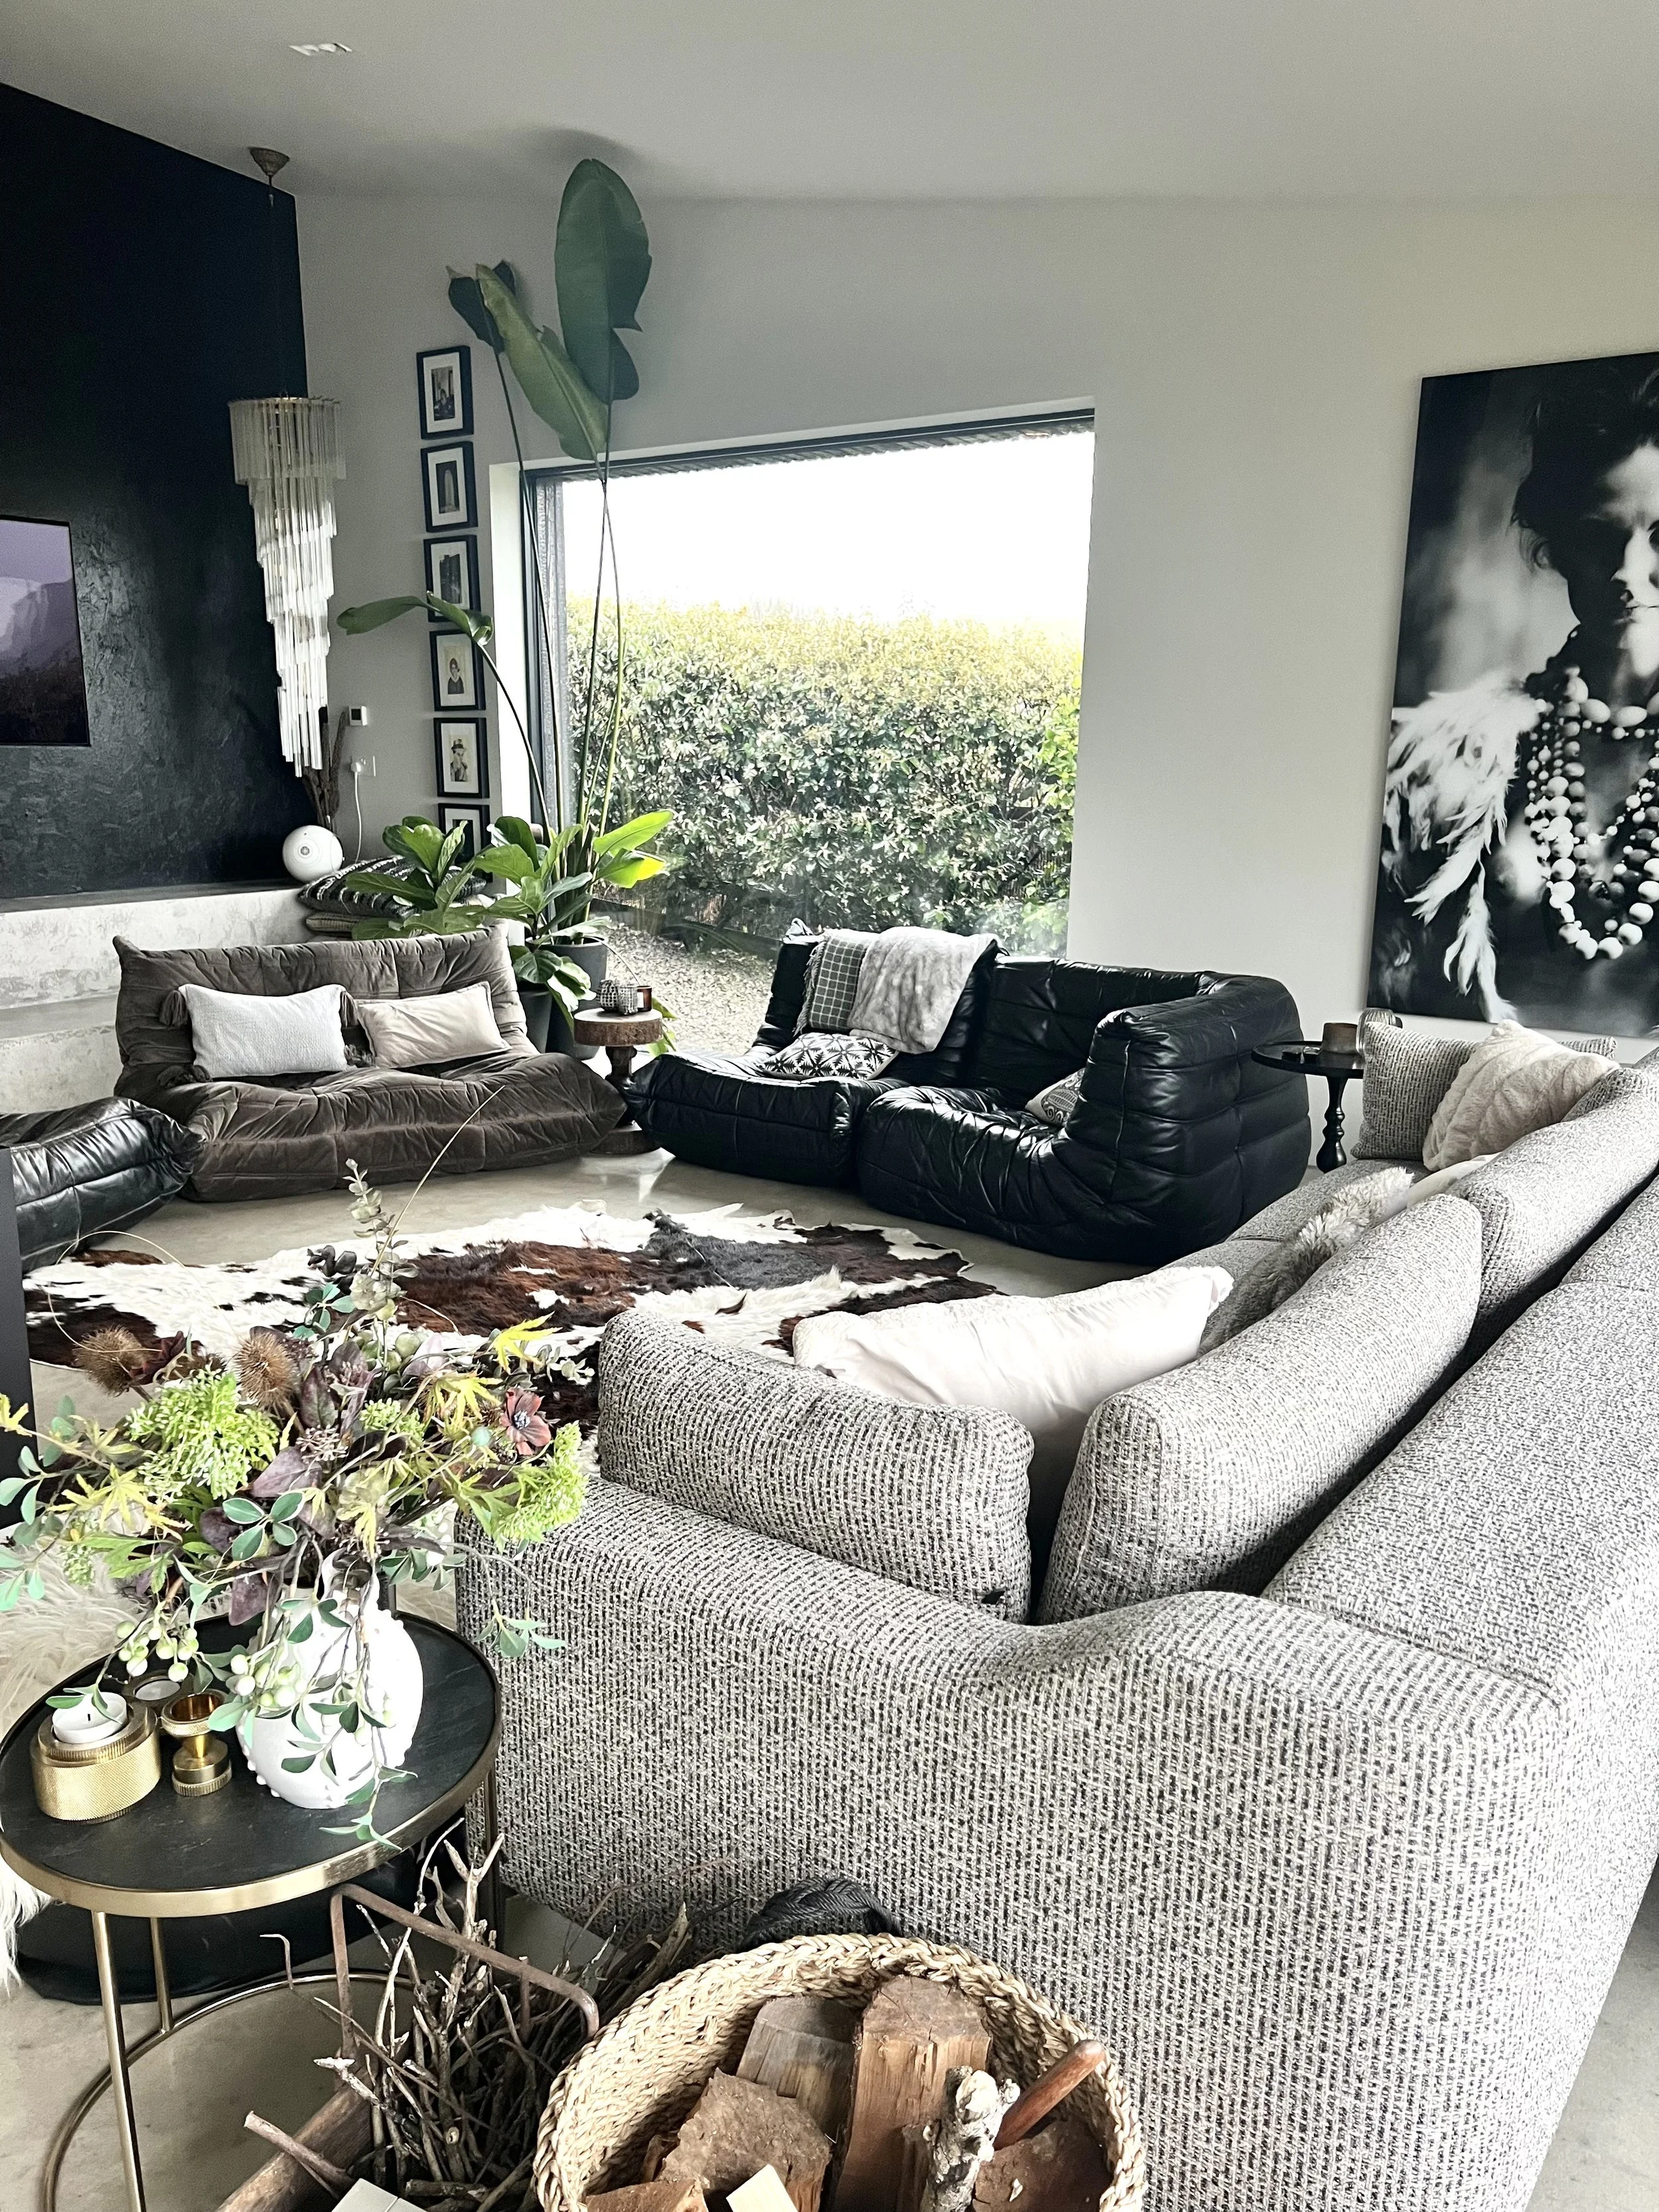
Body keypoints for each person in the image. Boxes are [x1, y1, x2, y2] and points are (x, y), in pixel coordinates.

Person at [1373, 358, 1659, 1032]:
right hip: (1480, 1088)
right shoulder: (1447, 756)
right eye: (1599, 537)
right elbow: (1403, 975)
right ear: (1556, 546)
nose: (1628, 573)